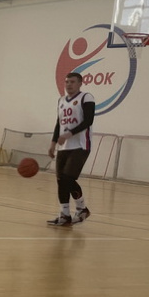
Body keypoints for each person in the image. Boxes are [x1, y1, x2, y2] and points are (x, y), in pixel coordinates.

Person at [47, 71, 94, 226]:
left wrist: (69, 134)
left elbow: (88, 120)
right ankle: (65, 215)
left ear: (80, 83)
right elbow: (58, 124)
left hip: (80, 145)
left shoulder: (86, 97)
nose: (69, 84)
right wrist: (53, 143)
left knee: (67, 179)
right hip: (64, 147)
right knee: (61, 181)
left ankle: (81, 209)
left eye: (72, 82)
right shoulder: (61, 100)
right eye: (67, 82)